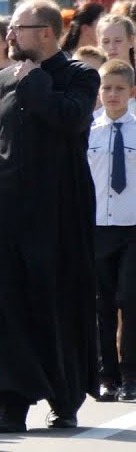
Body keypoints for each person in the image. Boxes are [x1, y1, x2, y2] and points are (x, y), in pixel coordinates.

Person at [0, 0, 100, 433]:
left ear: (45, 32)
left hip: (60, 213)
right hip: (7, 213)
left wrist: (36, 82)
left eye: (18, 28)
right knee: (4, 307)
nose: (10, 35)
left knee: (56, 303)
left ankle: (64, 398)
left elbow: (71, 120)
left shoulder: (80, 76)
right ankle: (11, 402)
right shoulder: (0, 80)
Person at [89, 59, 136, 403]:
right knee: (102, 303)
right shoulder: (89, 131)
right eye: (107, 88)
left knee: (129, 300)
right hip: (97, 228)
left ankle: (131, 373)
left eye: (120, 89)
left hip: (132, 227)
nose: (113, 95)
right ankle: (107, 375)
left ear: (132, 93)